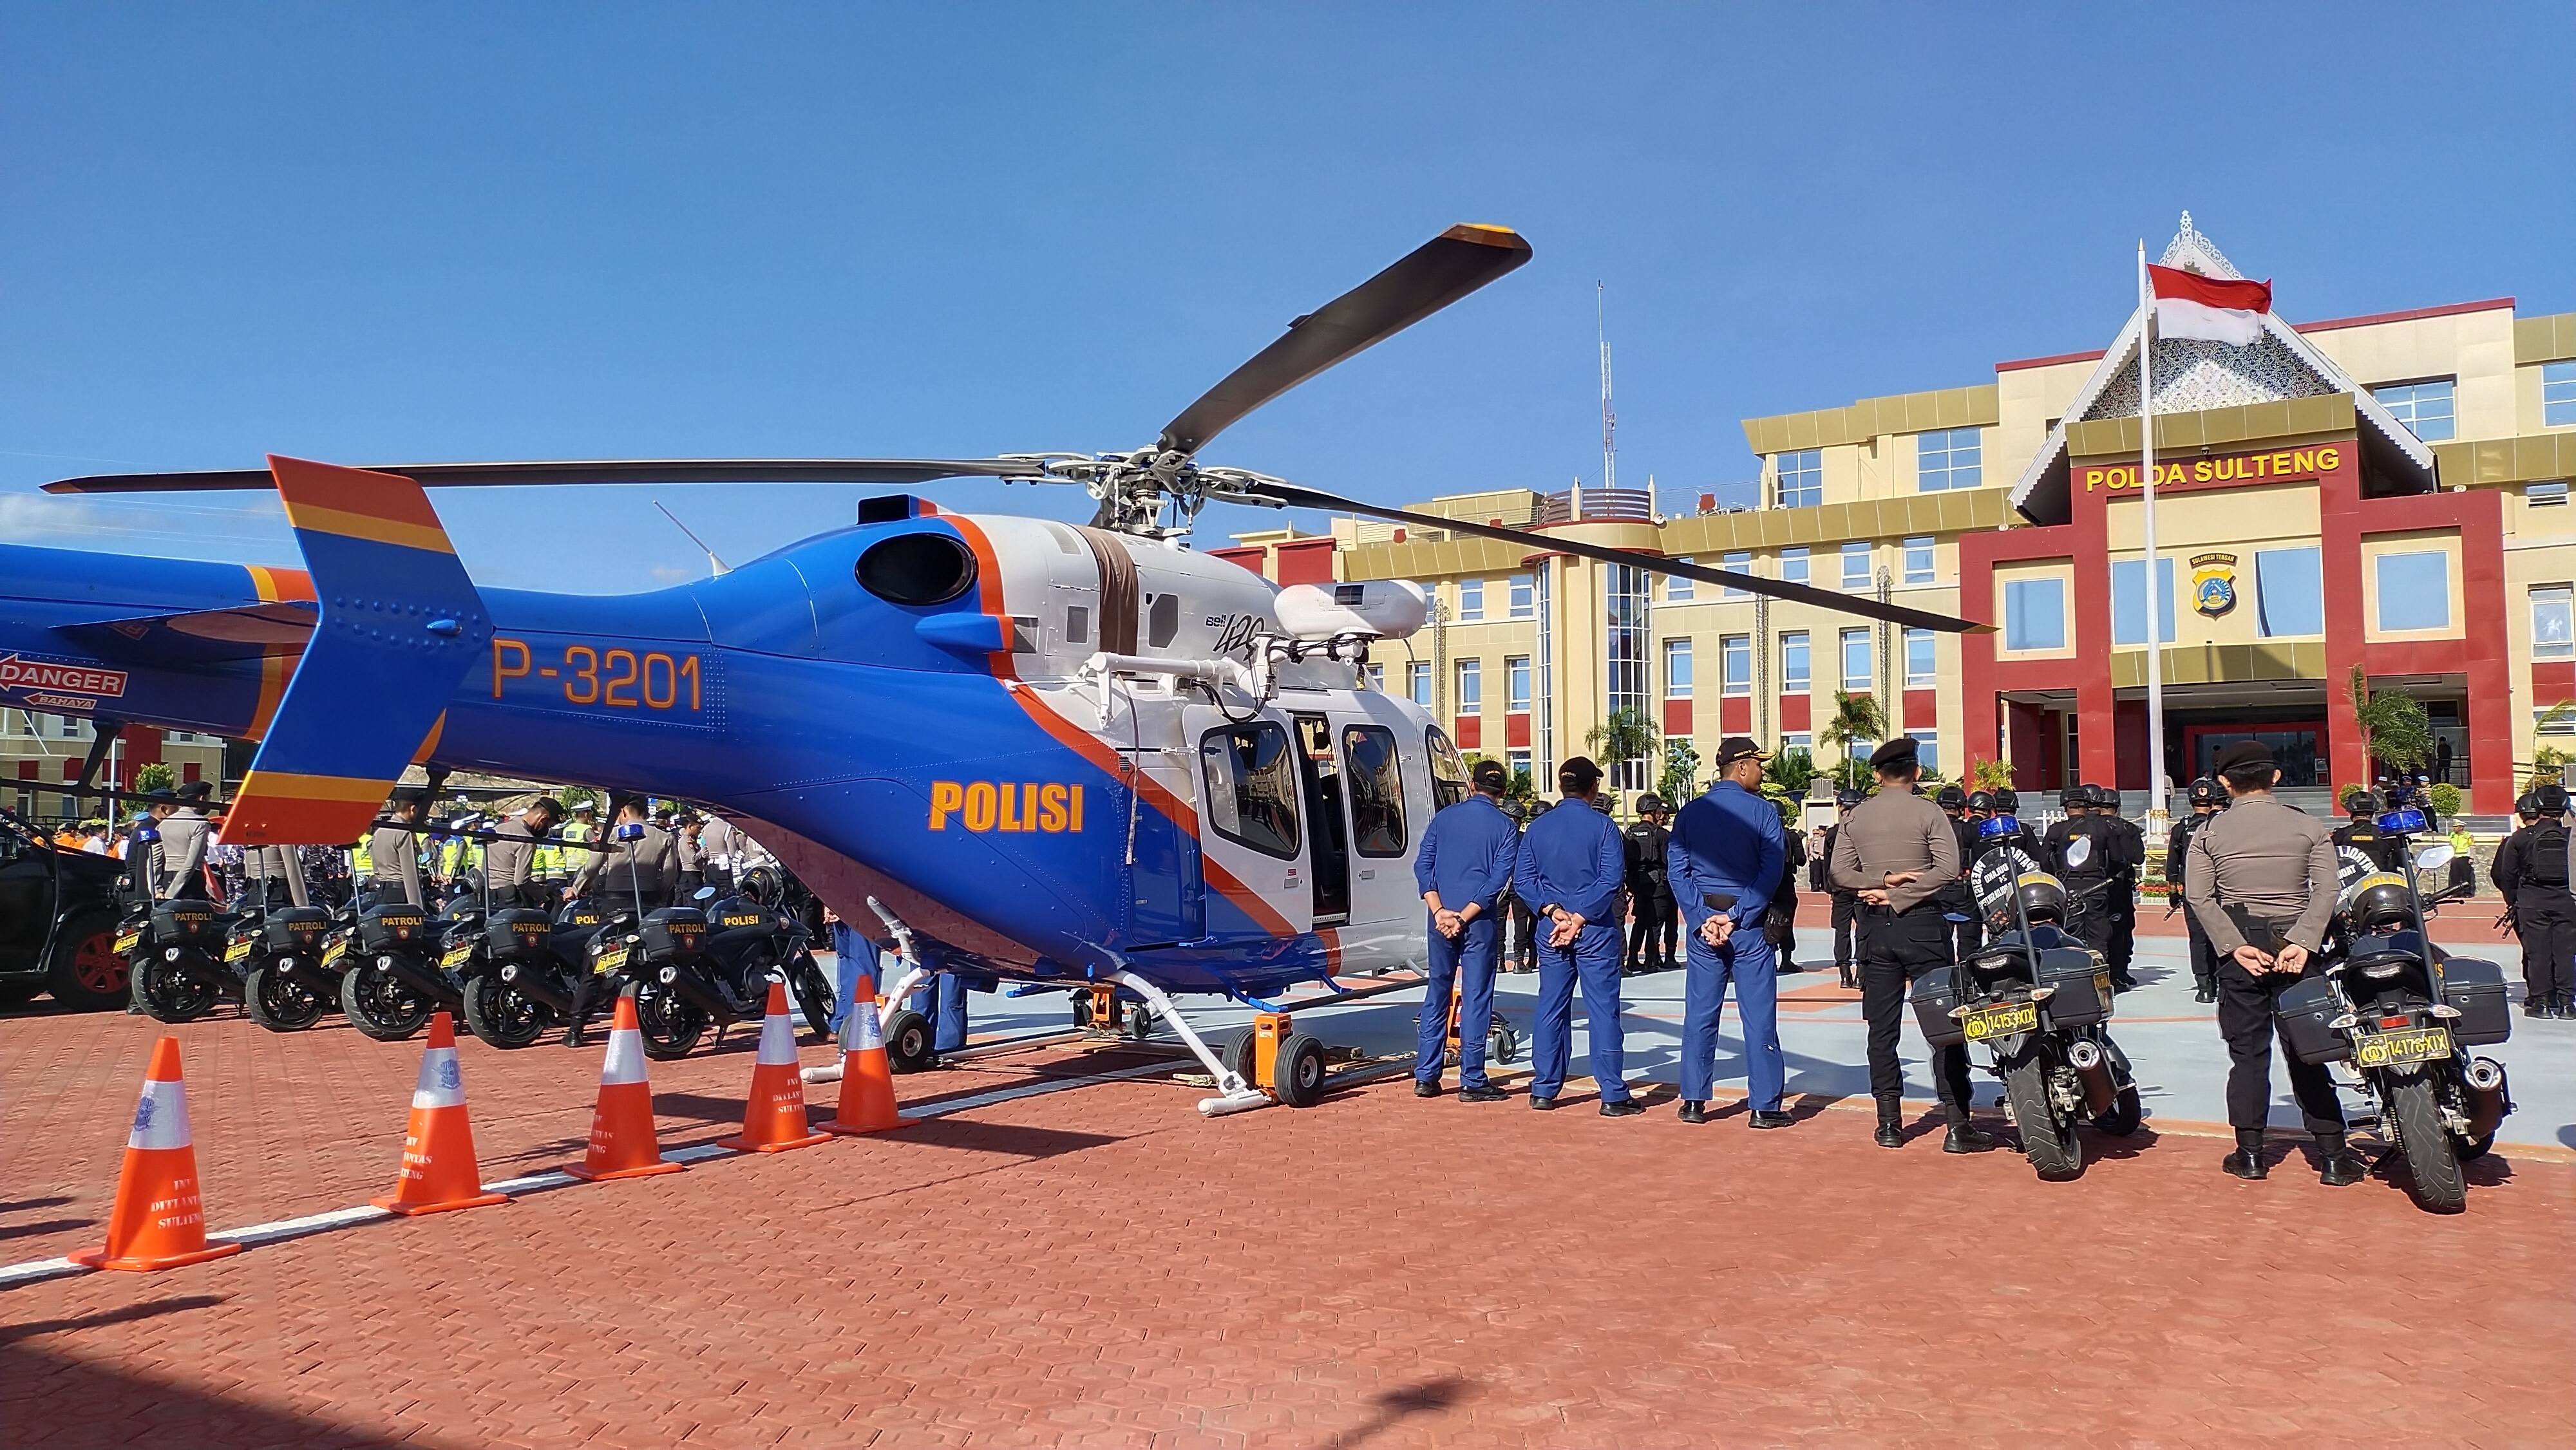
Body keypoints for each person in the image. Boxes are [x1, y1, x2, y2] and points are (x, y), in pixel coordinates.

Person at [2183, 740, 2364, 1185]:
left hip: (2242, 946)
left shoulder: (2208, 834)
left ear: (2225, 783)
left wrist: (2233, 946)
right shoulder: (2309, 827)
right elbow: (2326, 891)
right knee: (2309, 1053)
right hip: (2297, 946)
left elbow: (2199, 897)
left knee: (2247, 1056)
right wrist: (2304, 941)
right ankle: (2334, 1158)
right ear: (2276, 778)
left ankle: (2250, 1155)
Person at [1831, 738, 1990, 1153]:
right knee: (1945, 1027)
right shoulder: (1930, 812)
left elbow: (1840, 873)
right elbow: (1949, 869)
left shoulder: (1857, 817)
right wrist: (1901, 893)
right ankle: (1958, 1124)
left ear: (1878, 775)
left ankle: (1889, 1123)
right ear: (1917, 772)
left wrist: (1882, 885)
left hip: (1874, 933)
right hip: (1924, 929)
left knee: (1881, 1030)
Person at [1667, 737, 1789, 1127]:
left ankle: (1693, 1101)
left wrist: (1702, 916)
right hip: (1748, 928)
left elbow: (1678, 870)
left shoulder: (1689, 813)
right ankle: (1764, 1106)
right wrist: (1737, 915)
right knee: (1758, 1017)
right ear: (1741, 767)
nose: (1762, 771)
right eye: (1758, 764)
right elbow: (1771, 871)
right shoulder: (1764, 812)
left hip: (1705, 928)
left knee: (1700, 1015)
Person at [1513, 757, 1636, 1115]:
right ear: (1592, 788)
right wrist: (1580, 917)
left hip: (1551, 928)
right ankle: (1612, 1094)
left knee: (1551, 1007)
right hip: (1594, 928)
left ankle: (1544, 1089)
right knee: (1602, 1010)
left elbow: (1524, 881)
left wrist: (1553, 912)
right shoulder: (1603, 827)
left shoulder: (1538, 828)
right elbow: (1611, 880)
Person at [1411, 758, 1520, 1101]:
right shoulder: (1505, 828)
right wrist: (1464, 916)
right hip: (1480, 922)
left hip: (1439, 918)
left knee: (1437, 992)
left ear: (1471, 786)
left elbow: (1423, 865)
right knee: (1476, 996)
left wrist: (1440, 910)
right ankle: (1472, 1079)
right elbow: (1497, 881)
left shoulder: (1443, 819)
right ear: (1502, 792)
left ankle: (1427, 1076)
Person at [2492, 785, 2575, 1019]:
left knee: (2537, 954)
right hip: (2567, 902)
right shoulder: (2572, 837)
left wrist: (2515, 902)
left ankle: (2541, 1004)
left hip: (2532, 902)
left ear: (2537, 808)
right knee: (2566, 953)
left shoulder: (2519, 838)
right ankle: (2567, 1004)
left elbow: (2507, 876)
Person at [2045, 784, 2130, 989]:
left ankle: (2074, 984)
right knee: (2098, 939)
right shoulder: (2102, 828)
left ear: (2065, 807)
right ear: (2087, 805)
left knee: (2070, 937)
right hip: (2097, 887)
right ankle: (2101, 984)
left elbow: (2044, 859)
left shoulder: (2056, 830)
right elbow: (2118, 858)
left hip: (2068, 888)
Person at [2166, 777, 2225, 1003]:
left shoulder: (2182, 827)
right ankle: (2222, 981)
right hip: (2220, 889)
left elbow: (2173, 863)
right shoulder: (2222, 824)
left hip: (2193, 890)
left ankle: (2204, 987)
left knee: (2198, 938)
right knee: (2221, 934)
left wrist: (2173, 891)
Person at [570, 798, 678, 910]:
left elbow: (592, 867)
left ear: (624, 812)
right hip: (647, 897)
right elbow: (670, 873)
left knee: (607, 927)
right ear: (647, 813)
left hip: (616, 897)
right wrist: (661, 894)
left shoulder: (610, 835)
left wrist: (576, 889)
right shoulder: (665, 837)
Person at [1621, 794, 1678, 974]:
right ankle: (1651, 961)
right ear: (1654, 811)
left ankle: (1632, 959)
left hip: (1638, 884)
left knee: (1640, 922)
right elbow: (1669, 861)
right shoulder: (1662, 834)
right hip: (1658, 885)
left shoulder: (1630, 833)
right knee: (1655, 924)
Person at [486, 797, 565, 910]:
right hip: (511, 900)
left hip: (489, 896)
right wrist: (544, 895)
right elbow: (521, 881)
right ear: (543, 819)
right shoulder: (526, 840)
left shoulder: (499, 828)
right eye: (549, 826)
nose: (548, 830)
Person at [1935, 784, 1980, 963]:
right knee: (1969, 941)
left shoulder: (1931, 828)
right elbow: (1982, 859)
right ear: (1962, 809)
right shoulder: (1970, 830)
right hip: (1965, 889)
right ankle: (1967, 977)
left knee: (1939, 939)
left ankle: (1944, 979)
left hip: (1936, 888)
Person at [1823, 789, 1863, 989]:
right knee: (1864, 930)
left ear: (1840, 807)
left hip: (1840, 887)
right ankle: (1862, 975)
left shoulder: (1832, 833)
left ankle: (1845, 975)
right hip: (1861, 886)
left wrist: (1829, 888)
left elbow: (1827, 864)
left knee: (1842, 930)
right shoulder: (1866, 830)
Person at [152, 780, 216, 902]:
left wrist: (156, 889)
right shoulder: (200, 824)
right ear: (202, 798)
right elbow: (191, 862)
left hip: (168, 877)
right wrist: (172, 893)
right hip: (191, 881)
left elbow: (155, 861)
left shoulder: (164, 823)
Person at [366, 788, 428, 907]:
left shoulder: (380, 831)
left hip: (383, 893)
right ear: (413, 809)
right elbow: (410, 874)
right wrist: (417, 907)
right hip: (401, 894)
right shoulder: (403, 833)